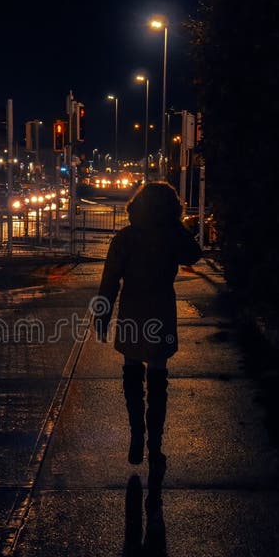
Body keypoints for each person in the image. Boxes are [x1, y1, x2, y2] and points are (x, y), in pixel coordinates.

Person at [94, 181, 202, 520]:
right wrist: (178, 226)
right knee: (158, 380)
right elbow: (194, 255)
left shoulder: (126, 237)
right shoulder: (171, 235)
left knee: (131, 374)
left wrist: (102, 312)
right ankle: (155, 444)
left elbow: (110, 278)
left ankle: (136, 434)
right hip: (161, 309)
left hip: (132, 311)